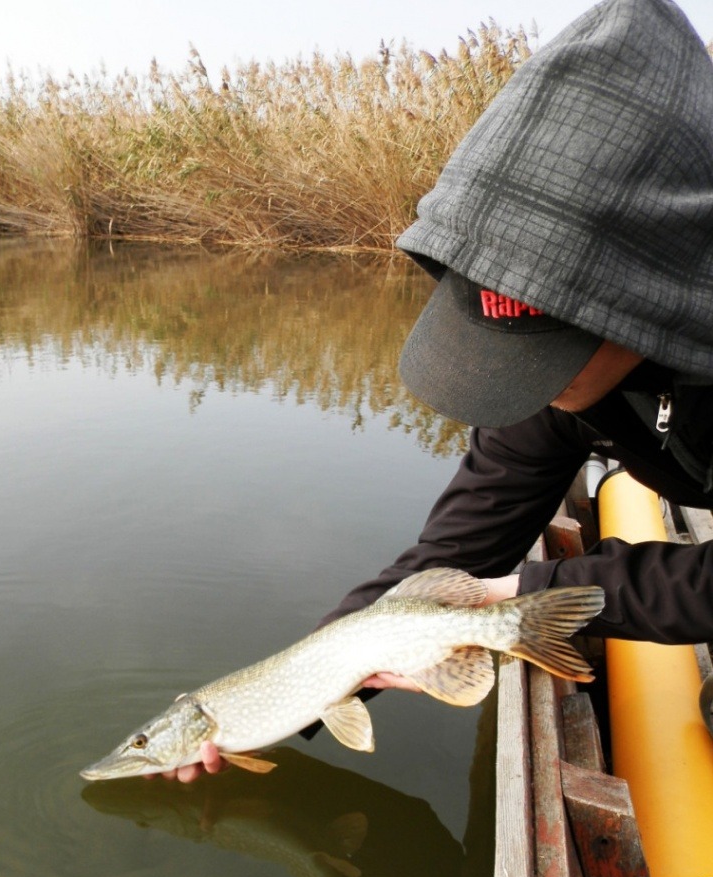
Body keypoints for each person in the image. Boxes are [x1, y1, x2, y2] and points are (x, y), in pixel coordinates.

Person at [166, 0, 713, 782]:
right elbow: (457, 548)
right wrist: (280, 695)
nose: (522, 385)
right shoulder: (559, 399)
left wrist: (539, 589)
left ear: (650, 301)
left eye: (545, 351)